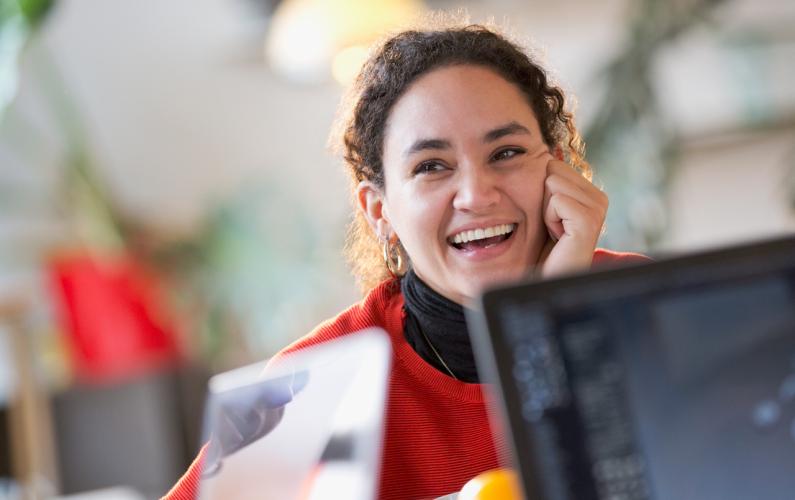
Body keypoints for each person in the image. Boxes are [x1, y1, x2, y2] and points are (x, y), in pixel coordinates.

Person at [163, 20, 648, 500]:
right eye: (431, 166)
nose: (476, 195)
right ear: (380, 211)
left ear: (559, 168)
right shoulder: (310, 386)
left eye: (506, 152)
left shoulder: (653, 305)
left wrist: (554, 312)